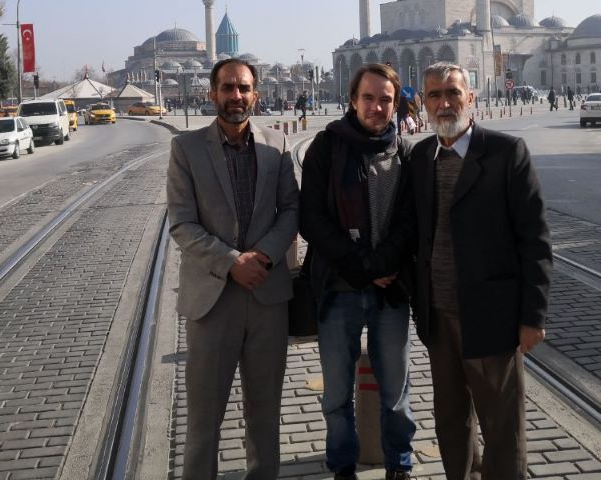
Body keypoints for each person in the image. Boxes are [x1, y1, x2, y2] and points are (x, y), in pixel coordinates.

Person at [382, 62, 552, 479]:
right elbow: (412, 231)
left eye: (452, 93)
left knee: (502, 427)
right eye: (434, 95)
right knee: (451, 420)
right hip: (438, 317)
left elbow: (535, 241)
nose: (444, 103)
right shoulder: (421, 156)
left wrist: (533, 317)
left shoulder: (505, 153)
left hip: (491, 317)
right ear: (422, 103)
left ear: (470, 98)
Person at [166, 58, 299, 480]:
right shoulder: (186, 149)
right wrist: (231, 262)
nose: (236, 96)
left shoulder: (275, 145)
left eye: (243, 88)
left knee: (265, 415)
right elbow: (182, 223)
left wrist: (263, 257)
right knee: (204, 420)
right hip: (213, 301)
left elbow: (291, 209)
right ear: (213, 94)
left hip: (267, 297)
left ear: (255, 95)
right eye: (227, 88)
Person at [299, 63, 416, 480]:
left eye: (385, 99)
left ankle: (398, 463)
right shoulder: (326, 148)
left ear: (395, 103)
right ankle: (343, 465)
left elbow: (410, 220)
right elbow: (311, 219)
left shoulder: (404, 151)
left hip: (390, 289)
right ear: (353, 100)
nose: (377, 106)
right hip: (338, 289)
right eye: (368, 97)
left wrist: (382, 265)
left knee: (396, 389)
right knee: (335, 392)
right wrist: (361, 265)